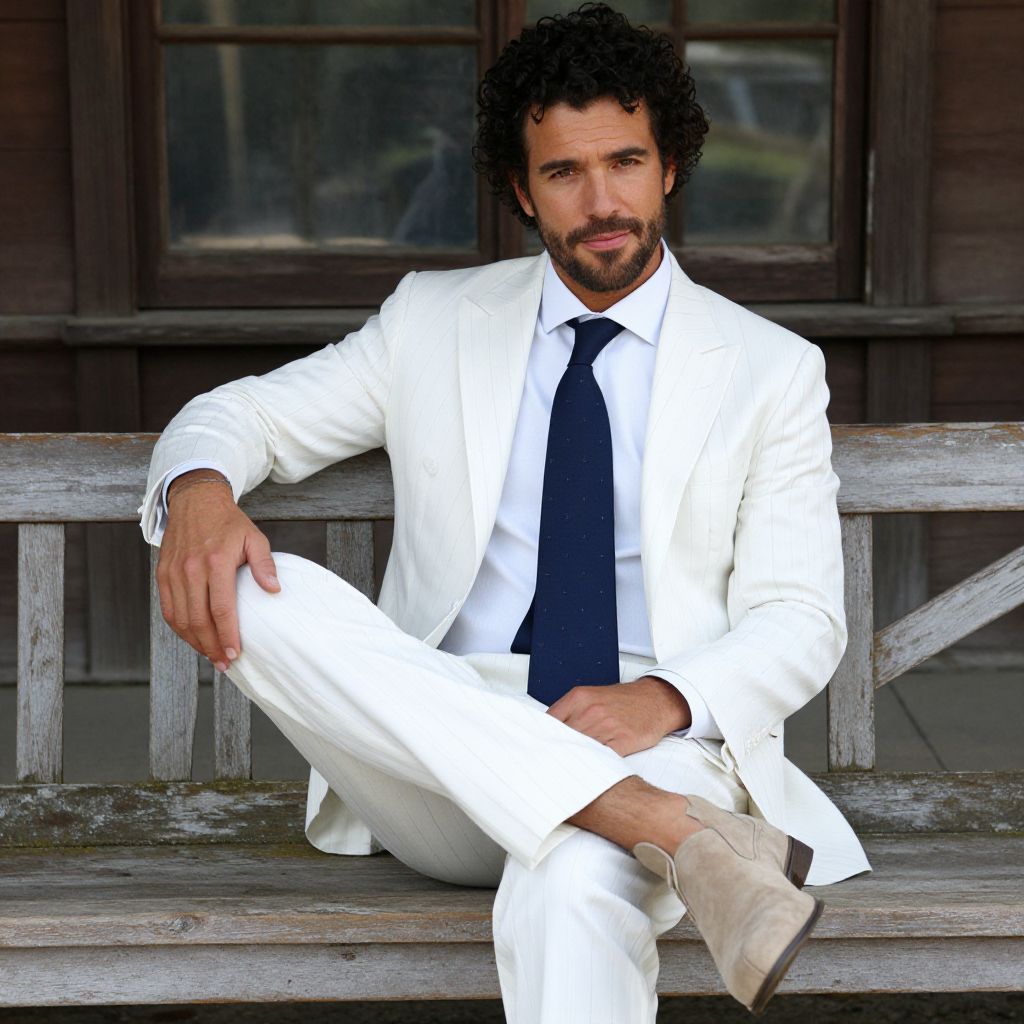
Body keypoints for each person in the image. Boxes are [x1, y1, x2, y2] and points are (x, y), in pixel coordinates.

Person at [139, 4, 870, 1019]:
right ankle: (673, 830)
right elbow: (240, 414)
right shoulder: (430, 323)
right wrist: (200, 494)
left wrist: (662, 698)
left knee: (575, 875)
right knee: (260, 594)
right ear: (522, 189)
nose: (601, 198)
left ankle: (645, 813)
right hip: (439, 747)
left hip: (648, 731)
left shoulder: (770, 370)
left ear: (668, 167)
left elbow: (802, 618)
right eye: (565, 172)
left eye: (624, 160)